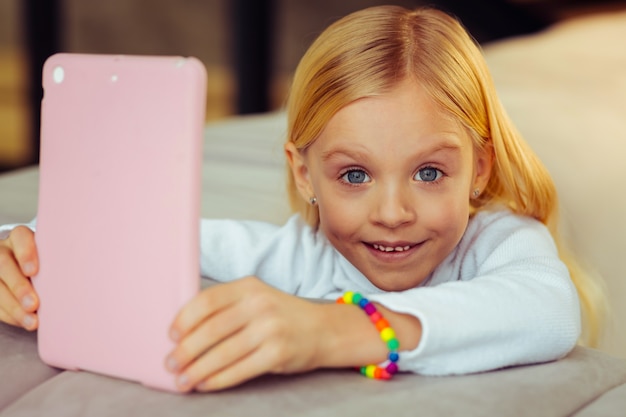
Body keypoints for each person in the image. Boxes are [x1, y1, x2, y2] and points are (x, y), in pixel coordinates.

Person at [0, 6, 605, 392]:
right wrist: (21, 251)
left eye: (428, 173)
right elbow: (138, 237)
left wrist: (331, 330)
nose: (393, 212)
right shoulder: (300, 256)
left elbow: (547, 310)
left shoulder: (496, 239)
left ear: (479, 169)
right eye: (354, 176)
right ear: (305, 173)